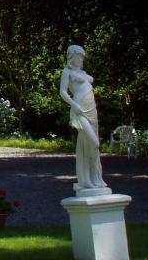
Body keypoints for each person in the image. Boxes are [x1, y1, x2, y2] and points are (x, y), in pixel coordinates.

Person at [59, 44, 108, 192]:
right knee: (94, 143)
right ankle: (87, 178)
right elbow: (63, 92)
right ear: (71, 57)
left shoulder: (84, 73)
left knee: (89, 145)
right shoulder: (67, 72)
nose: (80, 59)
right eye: (77, 56)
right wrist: (74, 105)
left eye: (81, 57)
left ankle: (94, 179)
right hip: (80, 111)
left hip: (92, 111)